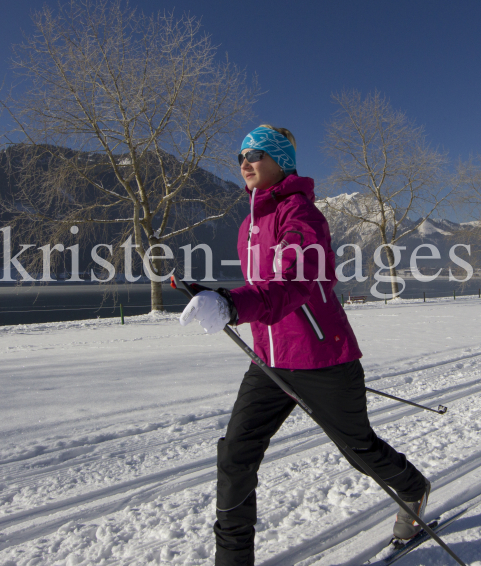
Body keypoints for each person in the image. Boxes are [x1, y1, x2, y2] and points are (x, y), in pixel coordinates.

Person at [179, 125, 431, 566]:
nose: (245, 162)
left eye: (256, 153)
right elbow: (263, 287)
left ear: (282, 162)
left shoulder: (302, 217)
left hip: (322, 359)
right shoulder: (249, 225)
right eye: (240, 154)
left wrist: (233, 307)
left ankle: (412, 488)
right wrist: (217, 295)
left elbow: (294, 282)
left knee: (360, 450)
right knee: (235, 455)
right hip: (269, 362)